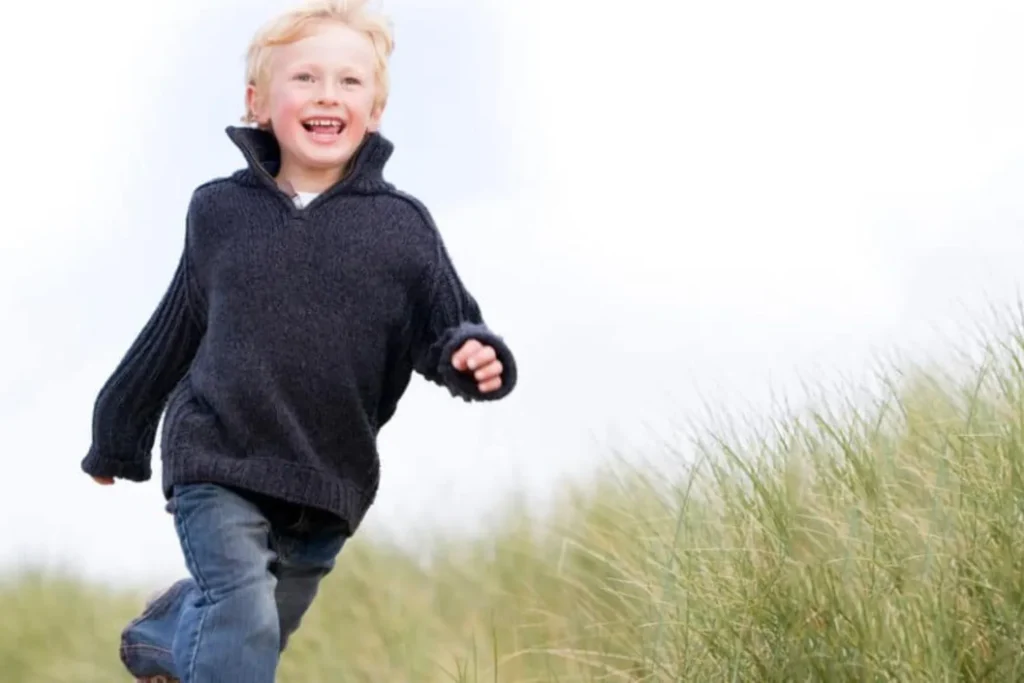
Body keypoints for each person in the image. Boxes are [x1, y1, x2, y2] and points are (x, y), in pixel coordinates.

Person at [80, 1, 517, 681]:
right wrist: (117, 432)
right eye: (305, 78)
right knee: (242, 612)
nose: (327, 95)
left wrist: (471, 356)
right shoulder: (219, 211)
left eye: (349, 82)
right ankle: (199, 622)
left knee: (259, 626)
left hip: (327, 477)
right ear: (258, 103)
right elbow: (175, 328)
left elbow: (445, 328)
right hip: (217, 455)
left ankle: (167, 634)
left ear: (374, 109)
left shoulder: (401, 228)